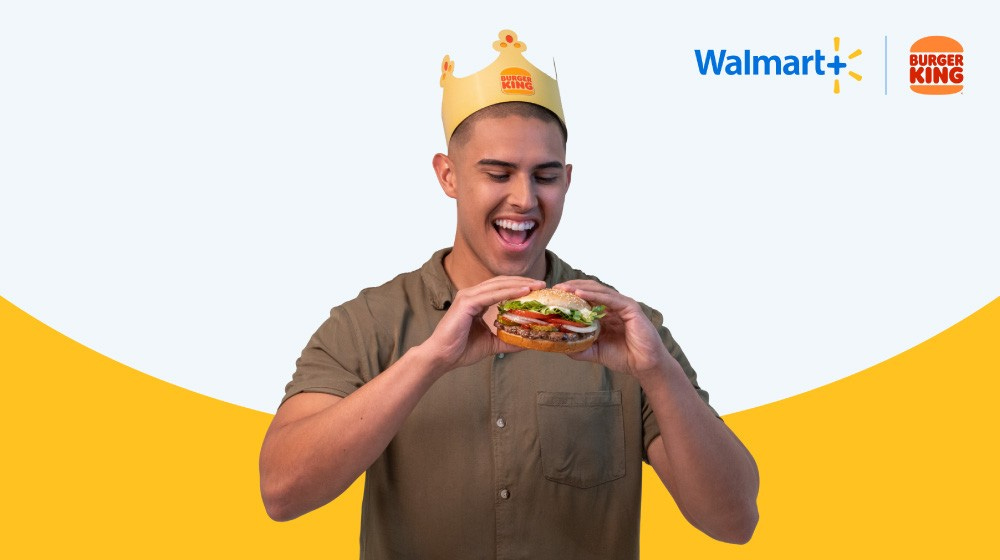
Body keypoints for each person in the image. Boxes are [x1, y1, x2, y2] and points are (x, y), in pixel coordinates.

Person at [259, 29, 759, 558]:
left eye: (545, 176)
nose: (524, 199)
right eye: (498, 173)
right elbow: (282, 492)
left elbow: (733, 520)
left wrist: (658, 373)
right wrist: (429, 361)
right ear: (448, 176)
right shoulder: (368, 325)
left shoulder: (626, 332)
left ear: (566, 180)